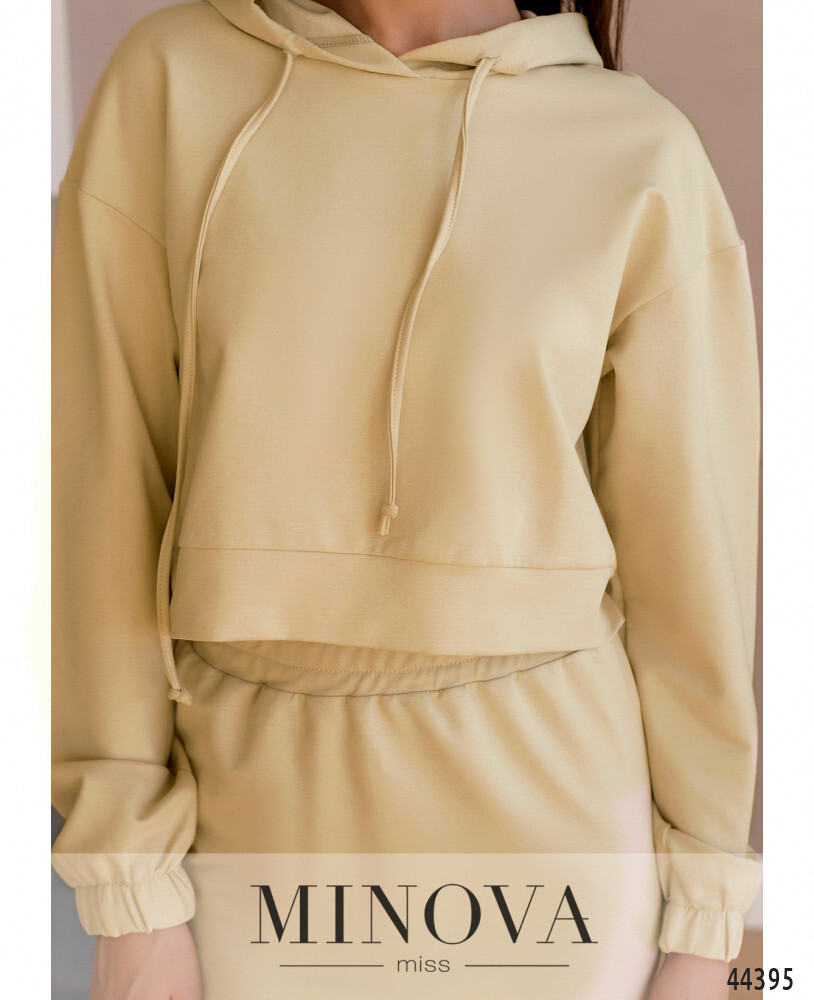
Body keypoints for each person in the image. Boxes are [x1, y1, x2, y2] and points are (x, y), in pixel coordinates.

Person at [51, 1, 763, 998]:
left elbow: (694, 571)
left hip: (555, 813)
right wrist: (128, 889)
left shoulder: (640, 149)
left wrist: (704, 924)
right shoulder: (171, 82)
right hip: (247, 808)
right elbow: (97, 495)